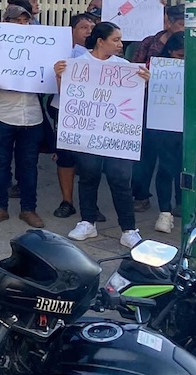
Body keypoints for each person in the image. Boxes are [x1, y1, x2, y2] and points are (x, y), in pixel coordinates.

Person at [57, 22, 148, 249]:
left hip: (115, 137)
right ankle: (87, 221)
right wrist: (59, 77)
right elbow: (68, 98)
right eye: (115, 40)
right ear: (100, 41)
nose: (120, 44)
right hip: (87, 134)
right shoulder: (78, 65)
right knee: (88, 175)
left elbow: (133, 101)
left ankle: (128, 229)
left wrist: (144, 82)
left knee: (120, 178)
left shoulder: (125, 67)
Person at [0, 4, 45, 229]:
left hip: (31, 116)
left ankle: (29, 209)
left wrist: (57, 73)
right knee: (0, 164)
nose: (22, 25)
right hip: (1, 114)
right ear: (6, 22)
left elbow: (50, 80)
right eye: (17, 21)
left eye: (26, 21)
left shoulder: (40, 49)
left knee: (28, 165)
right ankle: (0, 207)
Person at [131, 4, 187, 210]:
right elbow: (133, 67)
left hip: (176, 110)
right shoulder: (149, 43)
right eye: (180, 24)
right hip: (148, 106)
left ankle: (181, 201)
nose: (183, 29)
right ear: (168, 23)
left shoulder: (193, 45)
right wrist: (144, 77)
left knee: (177, 158)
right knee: (146, 155)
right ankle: (141, 195)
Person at [50, 13, 95, 219]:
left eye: (92, 27)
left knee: (90, 159)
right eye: (84, 27)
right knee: (66, 158)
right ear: (72, 31)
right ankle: (67, 201)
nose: (89, 31)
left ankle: (91, 203)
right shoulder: (61, 54)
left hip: (94, 113)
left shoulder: (105, 58)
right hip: (65, 110)